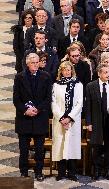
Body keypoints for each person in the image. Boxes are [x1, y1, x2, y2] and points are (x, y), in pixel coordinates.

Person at [13, 53, 52, 181]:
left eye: (37, 62)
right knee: (24, 149)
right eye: (33, 63)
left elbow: (48, 98)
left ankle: (39, 172)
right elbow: (16, 99)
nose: (36, 65)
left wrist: (38, 109)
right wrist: (26, 110)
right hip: (24, 118)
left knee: (40, 150)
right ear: (27, 64)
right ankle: (24, 171)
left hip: (39, 118)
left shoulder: (46, 76)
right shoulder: (19, 77)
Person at [85, 63, 109, 181]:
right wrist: (89, 123)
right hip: (96, 120)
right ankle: (96, 170)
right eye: (106, 72)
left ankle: (108, 170)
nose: (108, 74)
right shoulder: (91, 86)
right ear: (99, 73)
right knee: (96, 146)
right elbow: (88, 106)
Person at [51, 61, 83, 181]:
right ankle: (61, 173)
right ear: (61, 71)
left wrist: (69, 117)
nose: (66, 72)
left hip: (73, 121)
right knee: (60, 145)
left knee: (72, 146)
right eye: (64, 70)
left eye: (68, 70)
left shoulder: (78, 84)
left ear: (72, 71)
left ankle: (72, 173)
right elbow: (53, 103)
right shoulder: (56, 85)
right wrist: (61, 118)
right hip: (60, 121)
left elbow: (79, 103)